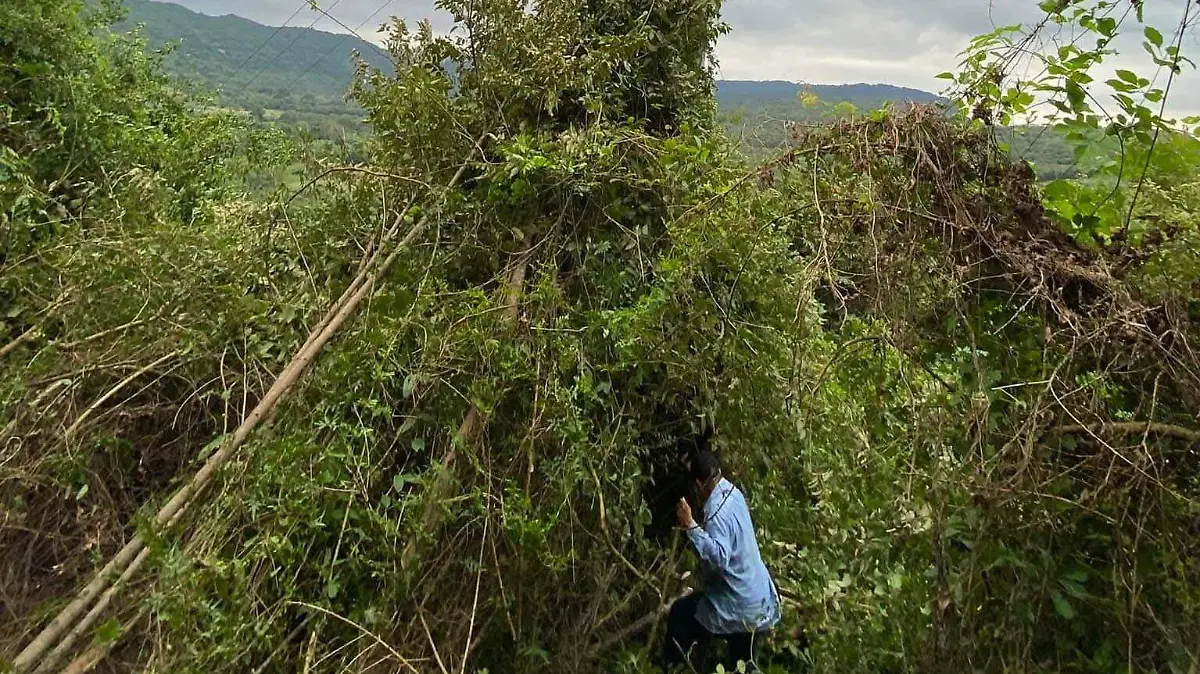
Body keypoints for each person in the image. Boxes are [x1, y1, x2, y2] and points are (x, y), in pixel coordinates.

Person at [662, 450, 780, 672]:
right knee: (744, 664)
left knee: (681, 613)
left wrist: (690, 525)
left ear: (699, 483)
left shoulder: (715, 511)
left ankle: (671, 666)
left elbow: (719, 557)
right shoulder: (734, 492)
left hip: (740, 606)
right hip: (760, 600)